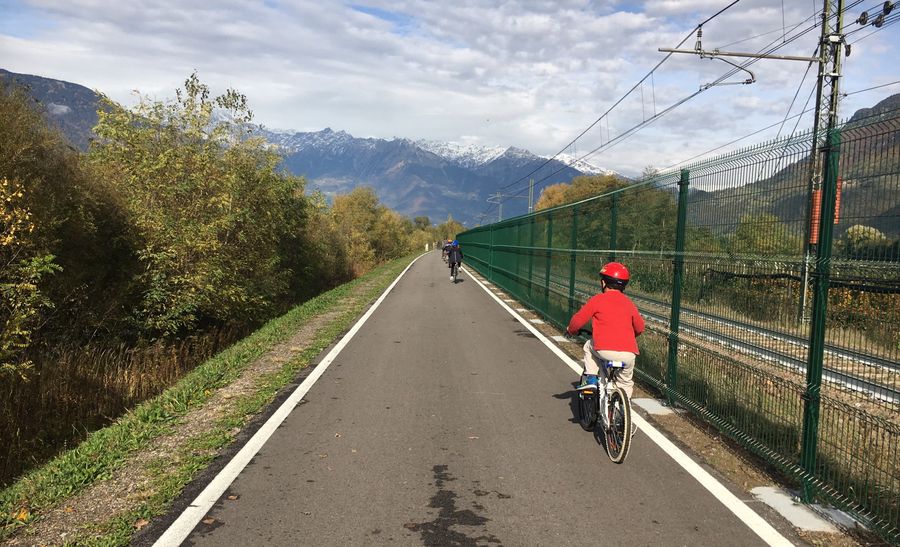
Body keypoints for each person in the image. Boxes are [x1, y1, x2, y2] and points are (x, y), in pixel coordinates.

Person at [566, 262, 644, 398]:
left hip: (604, 349)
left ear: (603, 283)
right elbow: (640, 328)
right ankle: (624, 410)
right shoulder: (629, 303)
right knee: (625, 383)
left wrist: (570, 330)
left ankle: (591, 379)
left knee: (588, 346)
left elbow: (577, 320)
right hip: (629, 353)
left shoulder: (597, 300)